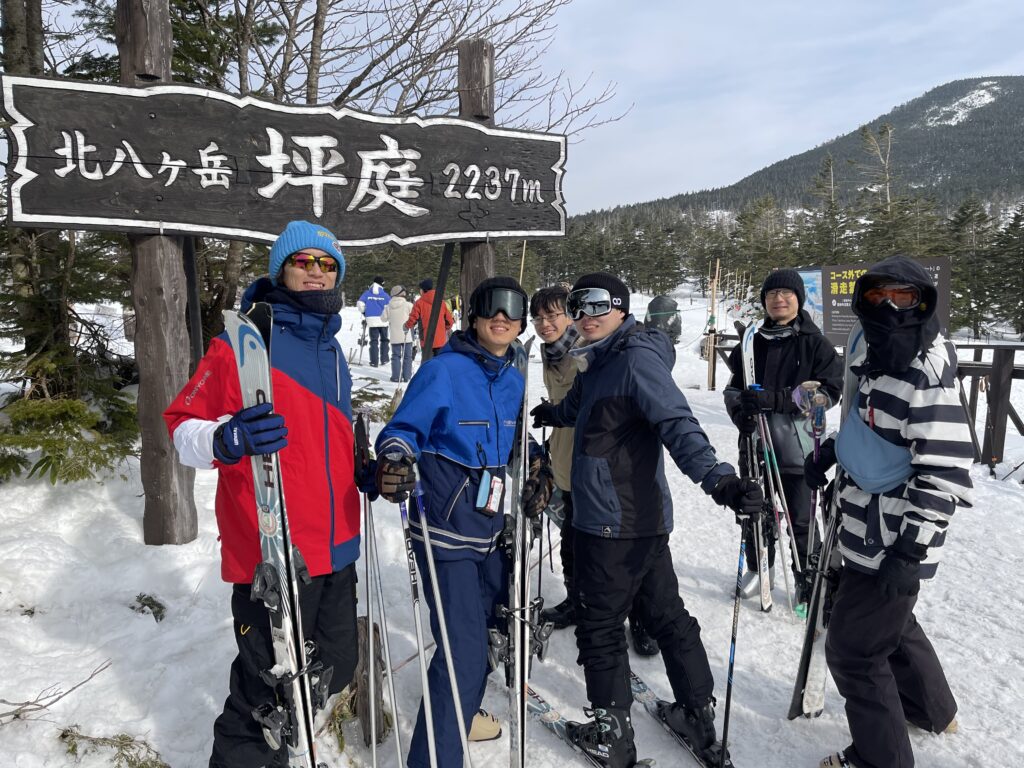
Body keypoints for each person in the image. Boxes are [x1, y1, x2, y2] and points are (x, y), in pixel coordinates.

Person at [530, 272, 764, 768]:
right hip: (639, 520)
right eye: (578, 306)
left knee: (600, 625)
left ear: (620, 307)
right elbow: (583, 406)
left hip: (609, 522)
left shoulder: (634, 359)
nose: (586, 315)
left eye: (597, 305)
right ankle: (696, 714)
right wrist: (554, 414)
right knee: (665, 615)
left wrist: (721, 481)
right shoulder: (599, 358)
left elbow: (678, 423)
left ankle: (612, 737)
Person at [164, 220, 363, 768]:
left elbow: (327, 442)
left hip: (337, 548)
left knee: (334, 668)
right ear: (281, 270)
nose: (316, 272)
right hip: (272, 555)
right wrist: (227, 439)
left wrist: (364, 471)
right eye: (304, 261)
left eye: (327, 264)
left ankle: (286, 746)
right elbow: (181, 428)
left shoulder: (332, 349)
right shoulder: (243, 343)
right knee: (264, 695)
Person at [375, 276, 552, 768]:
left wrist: (535, 462)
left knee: (495, 631)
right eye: (491, 306)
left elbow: (509, 438)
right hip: (444, 532)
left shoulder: (513, 377)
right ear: (473, 315)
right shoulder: (444, 371)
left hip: (490, 532)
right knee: (463, 653)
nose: (502, 317)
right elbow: (401, 430)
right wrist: (395, 459)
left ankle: (461, 711)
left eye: (513, 309)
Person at [806, 255, 973, 768]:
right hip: (864, 521)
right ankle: (932, 709)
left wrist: (909, 551)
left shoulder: (924, 369)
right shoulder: (873, 349)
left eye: (904, 297)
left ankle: (881, 759)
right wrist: (835, 452)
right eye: (878, 296)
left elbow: (944, 470)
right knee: (890, 623)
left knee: (855, 650)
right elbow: (870, 422)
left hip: (894, 536)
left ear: (923, 304)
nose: (890, 308)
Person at [531, 284, 660, 657]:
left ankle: (641, 617)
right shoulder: (551, 354)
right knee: (574, 545)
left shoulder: (591, 350)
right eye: (538, 318)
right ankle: (577, 601)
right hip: (567, 465)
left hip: (603, 471)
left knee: (620, 553)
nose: (544, 324)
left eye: (552, 315)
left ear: (572, 314)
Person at [722, 269, 842, 611]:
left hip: (798, 446)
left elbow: (829, 393)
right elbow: (733, 389)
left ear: (798, 299)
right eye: (772, 294)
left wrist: (779, 400)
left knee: (800, 518)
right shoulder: (752, 342)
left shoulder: (815, 343)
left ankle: (808, 579)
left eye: (786, 293)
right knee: (753, 511)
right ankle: (760, 568)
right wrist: (741, 413)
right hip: (755, 444)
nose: (779, 299)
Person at [406, 277, 454, 356]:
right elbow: (449, 321)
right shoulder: (441, 302)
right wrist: (443, 329)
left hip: (426, 340)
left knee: (427, 362)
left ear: (423, 290)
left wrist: (406, 326)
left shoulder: (419, 303)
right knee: (439, 361)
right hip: (440, 340)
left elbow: (413, 318)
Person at [382, 284, 414, 382]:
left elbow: (383, 319)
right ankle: (407, 376)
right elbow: (414, 317)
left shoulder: (388, 306)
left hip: (394, 335)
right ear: (402, 294)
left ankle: (395, 377)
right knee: (407, 356)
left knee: (395, 356)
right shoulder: (408, 305)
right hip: (406, 334)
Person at [357, 275, 390, 367]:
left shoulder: (367, 293)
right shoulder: (385, 295)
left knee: (374, 341)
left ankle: (374, 361)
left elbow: (360, 304)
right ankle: (384, 359)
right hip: (383, 321)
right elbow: (390, 307)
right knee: (384, 340)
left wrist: (364, 312)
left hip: (372, 321)